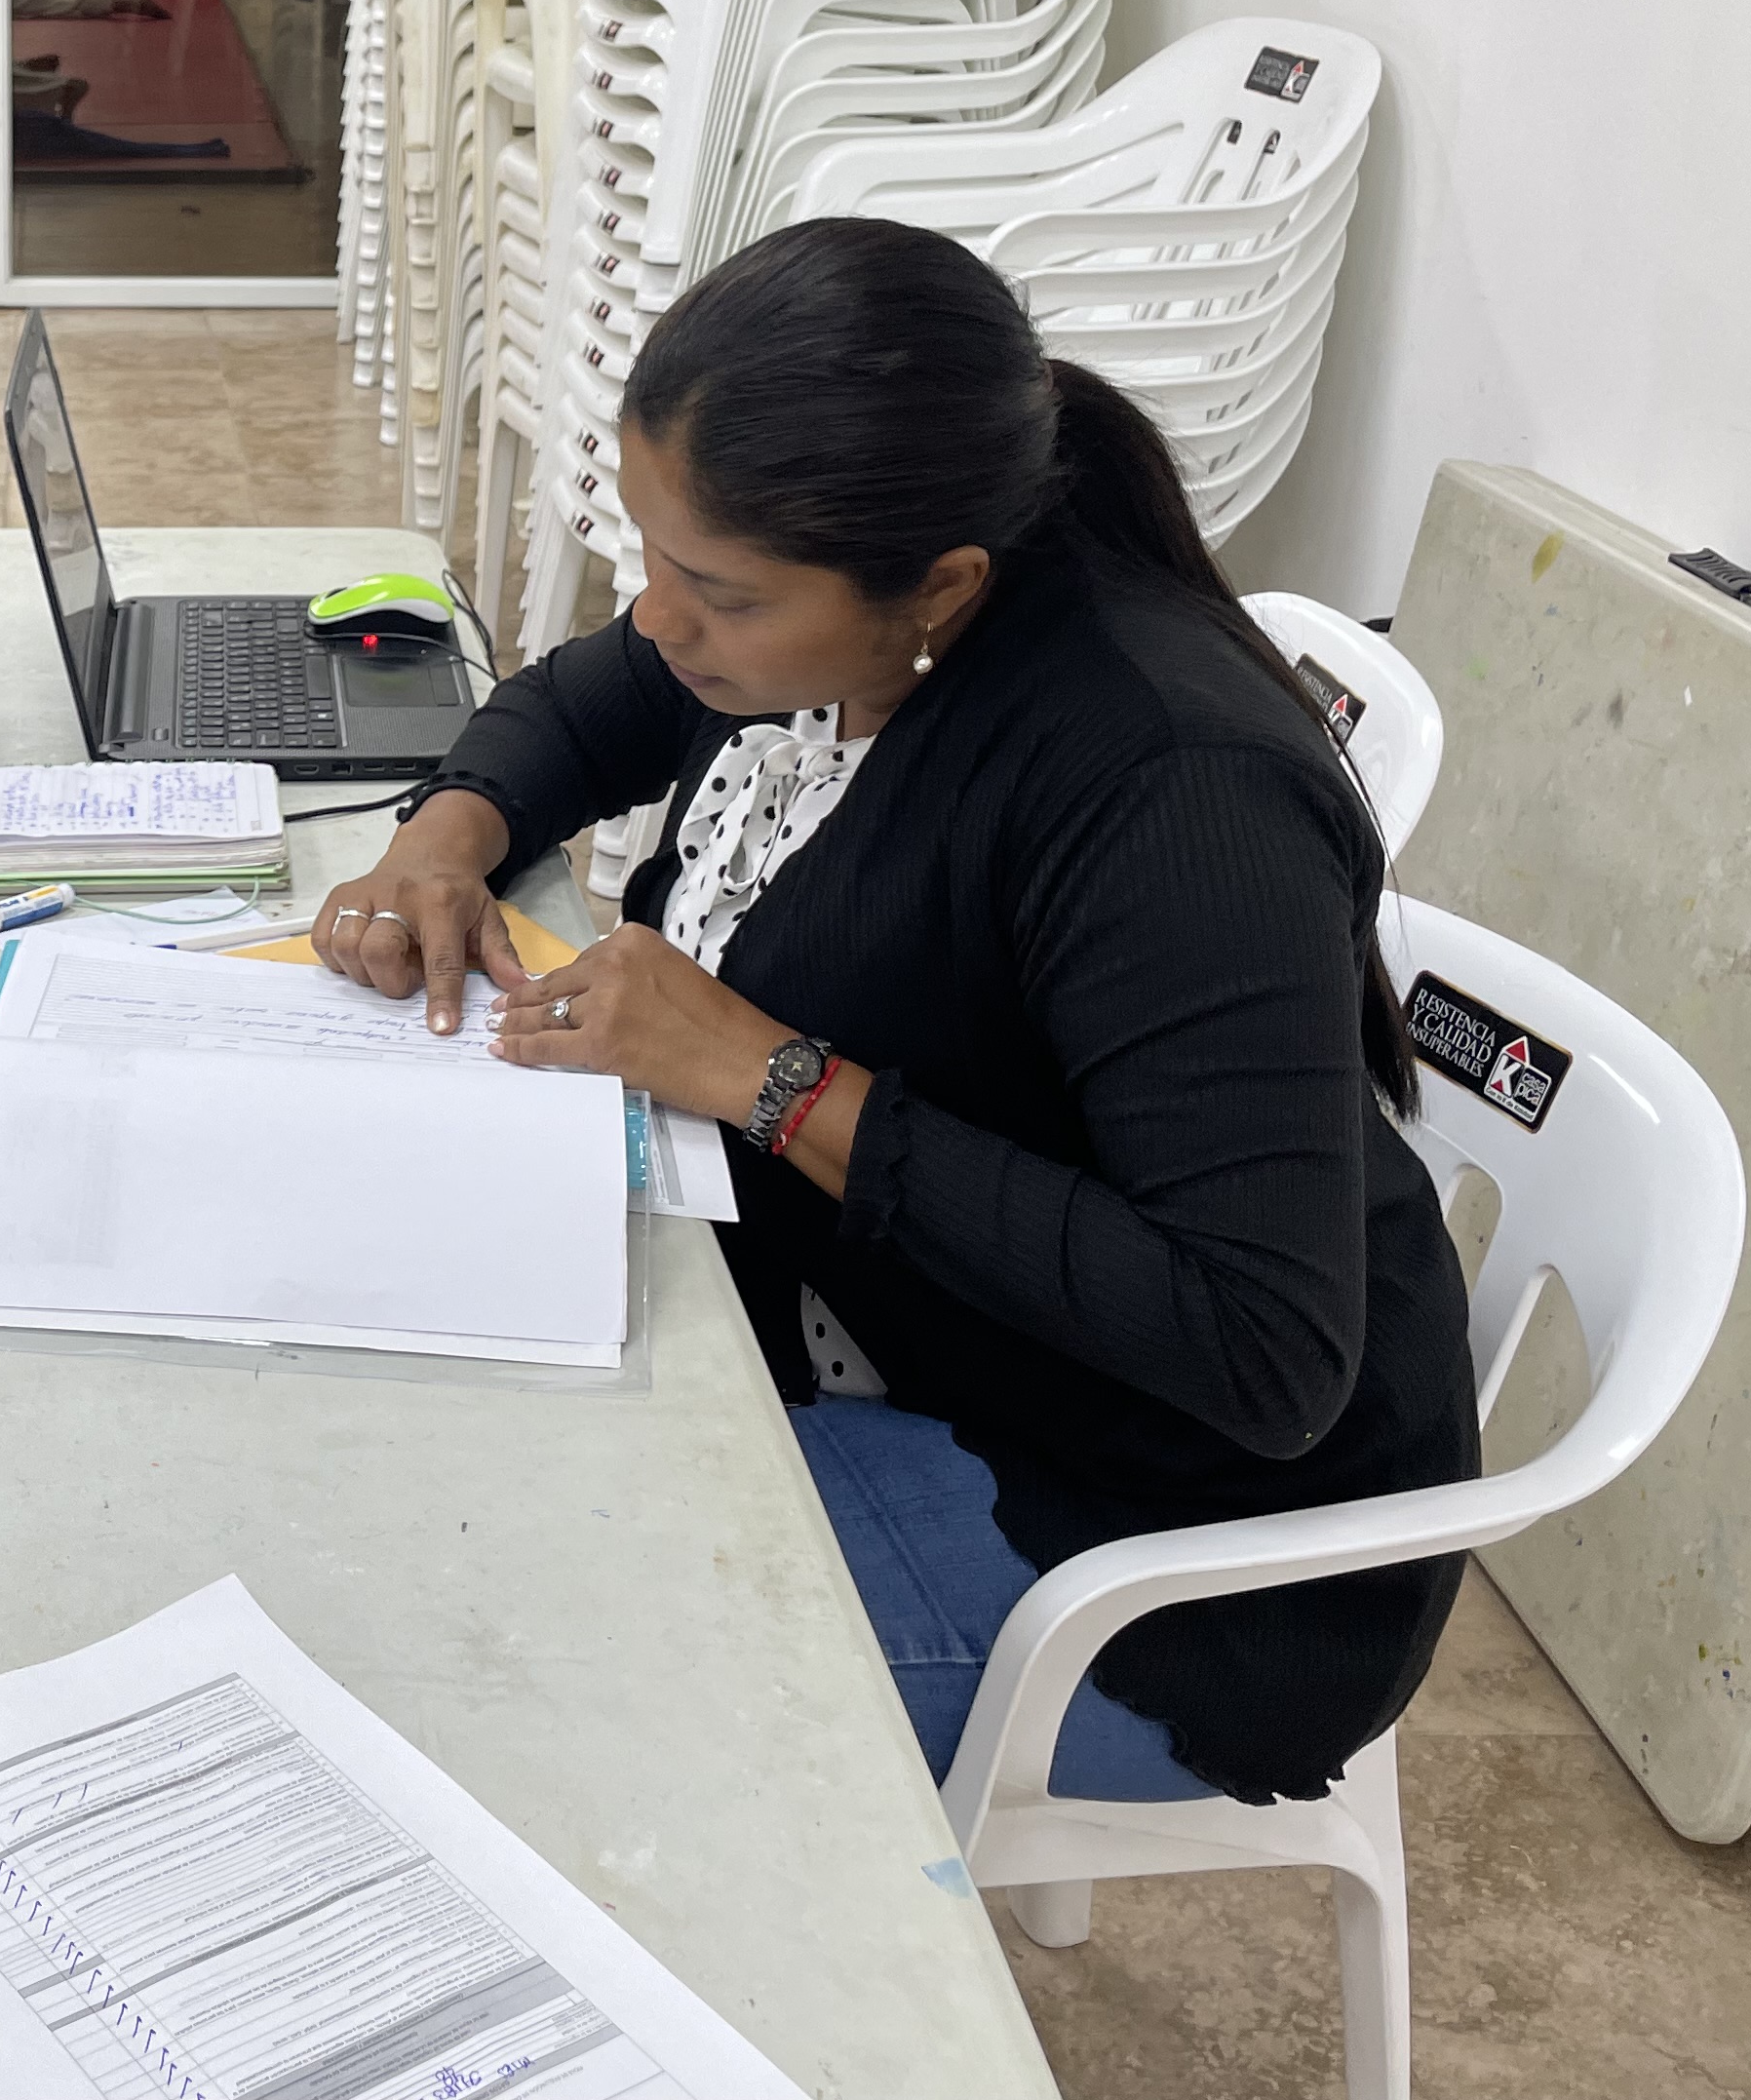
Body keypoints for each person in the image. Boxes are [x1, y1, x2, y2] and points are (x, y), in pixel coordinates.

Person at [311, 218, 1477, 1806]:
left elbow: (1259, 1349)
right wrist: (443, 840)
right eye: (651, 552)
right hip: (895, 1330)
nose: (660, 618)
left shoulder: (1164, 789)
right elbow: (592, 700)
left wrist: (771, 1076)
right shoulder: (816, 614)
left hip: (1150, 1550)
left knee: (500, 1673)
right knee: (389, 1447)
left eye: (716, 591)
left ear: (942, 587)